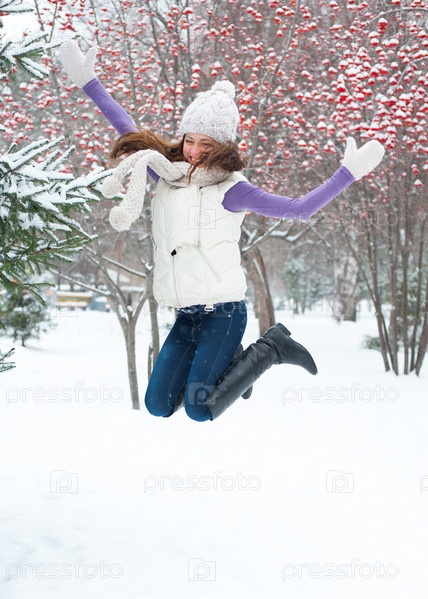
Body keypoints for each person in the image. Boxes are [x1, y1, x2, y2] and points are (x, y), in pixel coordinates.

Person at [59, 41, 385, 422]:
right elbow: (130, 133)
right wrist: (90, 83)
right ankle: (232, 367)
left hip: (224, 314)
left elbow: (299, 209)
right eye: (189, 140)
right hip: (186, 314)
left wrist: (346, 174)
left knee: (199, 409)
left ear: (222, 147)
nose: (194, 150)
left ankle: (272, 348)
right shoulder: (168, 175)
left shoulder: (233, 190)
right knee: (158, 404)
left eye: (205, 144)